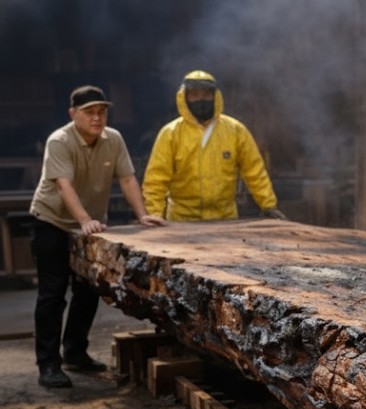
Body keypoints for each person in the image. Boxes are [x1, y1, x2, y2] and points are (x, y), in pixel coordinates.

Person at [28, 86, 165, 389]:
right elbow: (64, 186)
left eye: (101, 111)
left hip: (90, 225)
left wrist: (142, 215)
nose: (97, 117)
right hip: (52, 221)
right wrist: (84, 220)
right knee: (52, 293)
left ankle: (75, 352)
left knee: (89, 289)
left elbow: (127, 178)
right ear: (73, 114)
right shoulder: (60, 141)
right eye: (89, 112)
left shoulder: (113, 139)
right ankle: (48, 365)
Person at [142, 70, 285, 221]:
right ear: (184, 98)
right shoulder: (170, 133)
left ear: (215, 97)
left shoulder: (235, 130)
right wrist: (154, 214)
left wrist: (268, 206)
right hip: (181, 221)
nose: (201, 99)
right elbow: (156, 180)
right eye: (194, 95)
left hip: (226, 219)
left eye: (206, 95)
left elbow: (254, 171)